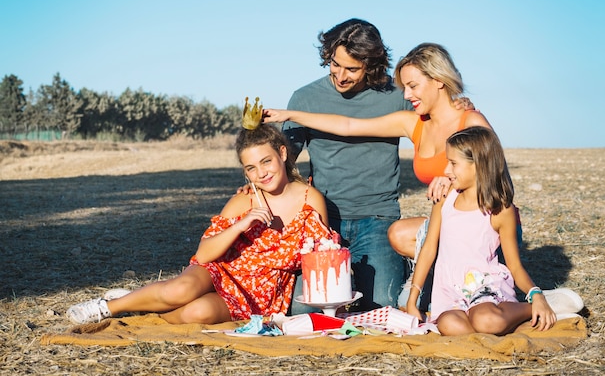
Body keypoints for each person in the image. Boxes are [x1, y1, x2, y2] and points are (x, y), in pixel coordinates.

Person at [263, 42, 489, 309]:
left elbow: (496, 181)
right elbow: (348, 126)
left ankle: (472, 278)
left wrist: (452, 180)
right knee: (306, 308)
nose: (406, 94)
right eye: (405, 87)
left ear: (438, 80)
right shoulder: (413, 122)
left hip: (481, 224)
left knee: (387, 300)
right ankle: (428, 279)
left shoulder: (471, 121)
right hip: (444, 223)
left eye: (413, 86)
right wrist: (289, 114)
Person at [66, 124, 334, 325]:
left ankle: (146, 310)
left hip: (259, 293)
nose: (261, 173)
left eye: (266, 161)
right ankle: (107, 307)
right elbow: (204, 254)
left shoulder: (311, 200)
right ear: (245, 172)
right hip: (221, 269)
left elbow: (321, 256)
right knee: (181, 289)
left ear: (283, 153)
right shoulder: (244, 200)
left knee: (199, 312)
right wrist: (242, 225)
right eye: (251, 168)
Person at [403, 126, 583, 335]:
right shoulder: (445, 198)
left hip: (485, 286)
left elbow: (514, 266)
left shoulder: (499, 211)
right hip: (450, 291)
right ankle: (503, 319)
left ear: (478, 165)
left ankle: (538, 305)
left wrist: (535, 294)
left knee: (486, 320)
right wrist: (412, 299)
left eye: (453, 163)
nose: (446, 171)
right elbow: (428, 249)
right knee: (450, 326)